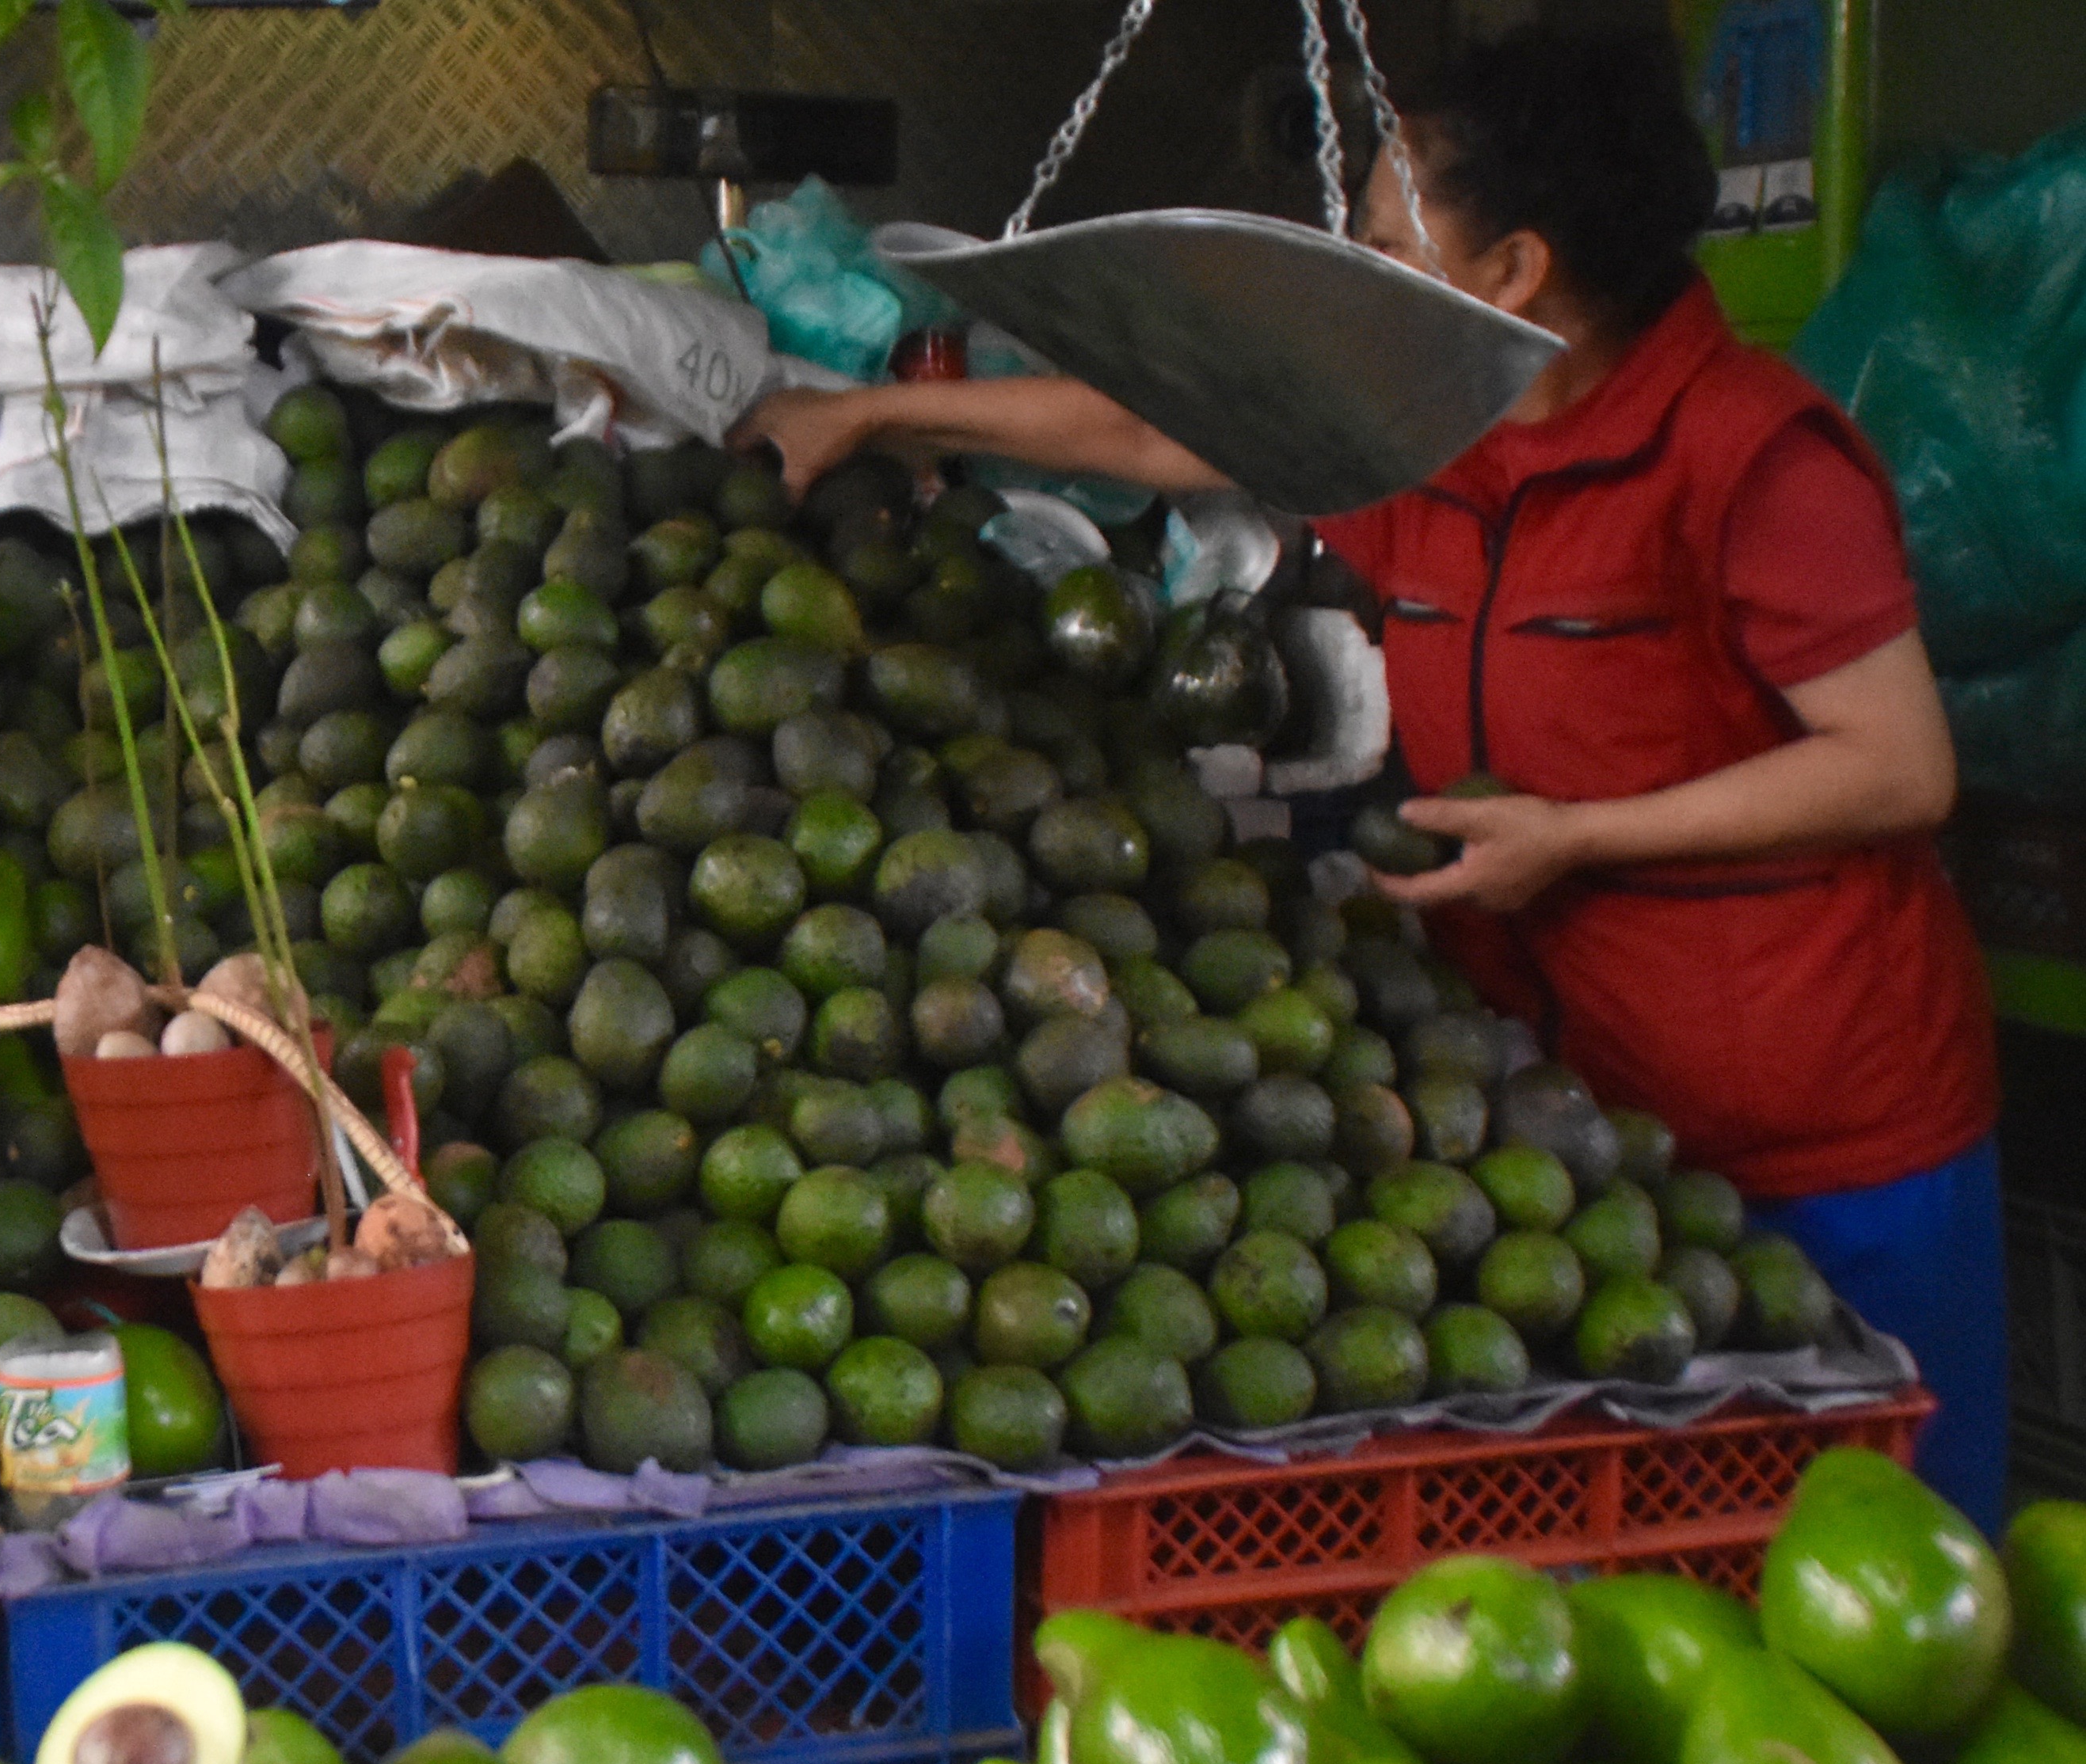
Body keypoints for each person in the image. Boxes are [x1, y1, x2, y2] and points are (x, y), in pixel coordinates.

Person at [734, 27, 2007, 1527]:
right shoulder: (1430, 429)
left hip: (1820, 1138)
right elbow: (1167, 426)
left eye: (1388, 238)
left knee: (1885, 1575)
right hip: (1560, 1130)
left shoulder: (1753, 459)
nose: (1358, 257)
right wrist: (877, 411)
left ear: (1515, 269)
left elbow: (1895, 767)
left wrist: (1579, 836)